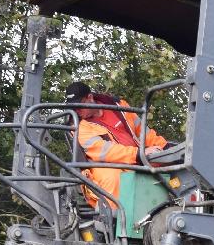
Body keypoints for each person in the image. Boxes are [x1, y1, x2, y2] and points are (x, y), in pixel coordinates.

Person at [64, 80, 170, 208]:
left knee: (170, 163)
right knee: (113, 178)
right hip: (103, 166)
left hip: (136, 158)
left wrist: (165, 149)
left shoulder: (119, 106)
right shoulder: (78, 127)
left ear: (90, 97)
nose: (77, 111)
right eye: (72, 108)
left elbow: (143, 131)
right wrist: (138, 154)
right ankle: (117, 223)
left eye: (79, 106)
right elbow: (105, 151)